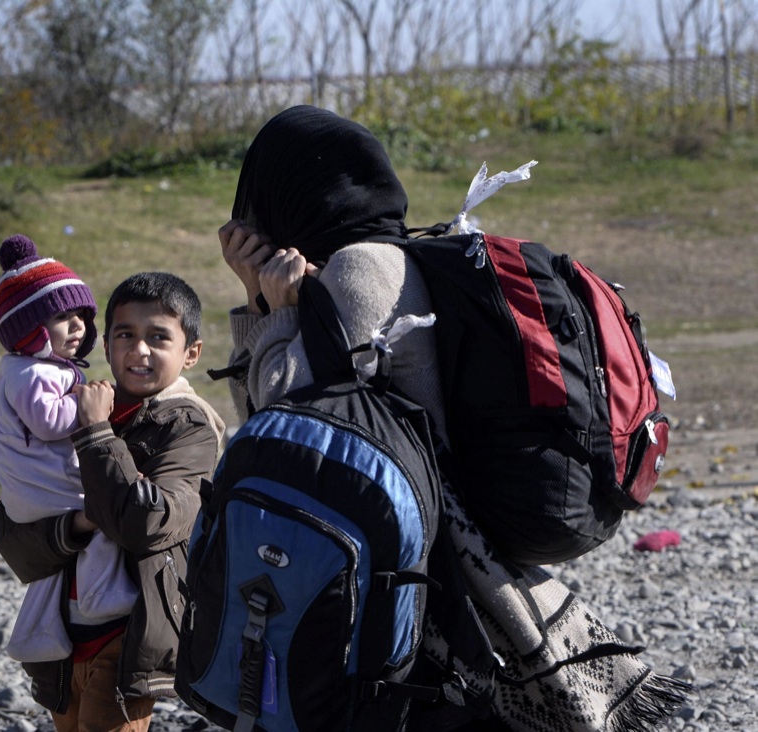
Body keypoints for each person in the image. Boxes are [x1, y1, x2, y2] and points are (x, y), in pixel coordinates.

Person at [216, 105, 688, 730]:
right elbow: (270, 430)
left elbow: (287, 436)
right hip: (420, 546)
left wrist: (272, 311)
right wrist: (265, 302)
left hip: (425, 569)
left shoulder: (358, 272)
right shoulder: (371, 261)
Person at [0, 271, 226, 732]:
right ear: (104, 345)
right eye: (125, 335)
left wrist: (97, 434)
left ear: (191, 353)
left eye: (158, 337)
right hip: (61, 635)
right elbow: (16, 542)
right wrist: (76, 525)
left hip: (129, 634)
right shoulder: (71, 408)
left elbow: (146, 523)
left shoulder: (189, 428)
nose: (139, 350)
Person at [0, 233, 138, 665]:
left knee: (55, 568)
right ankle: (102, 596)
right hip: (43, 490)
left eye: (80, 316)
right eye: (61, 317)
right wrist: (90, 406)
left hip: (31, 493)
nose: (77, 327)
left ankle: (37, 630)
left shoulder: (40, 368)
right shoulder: (31, 373)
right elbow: (50, 422)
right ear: (29, 330)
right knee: (103, 515)